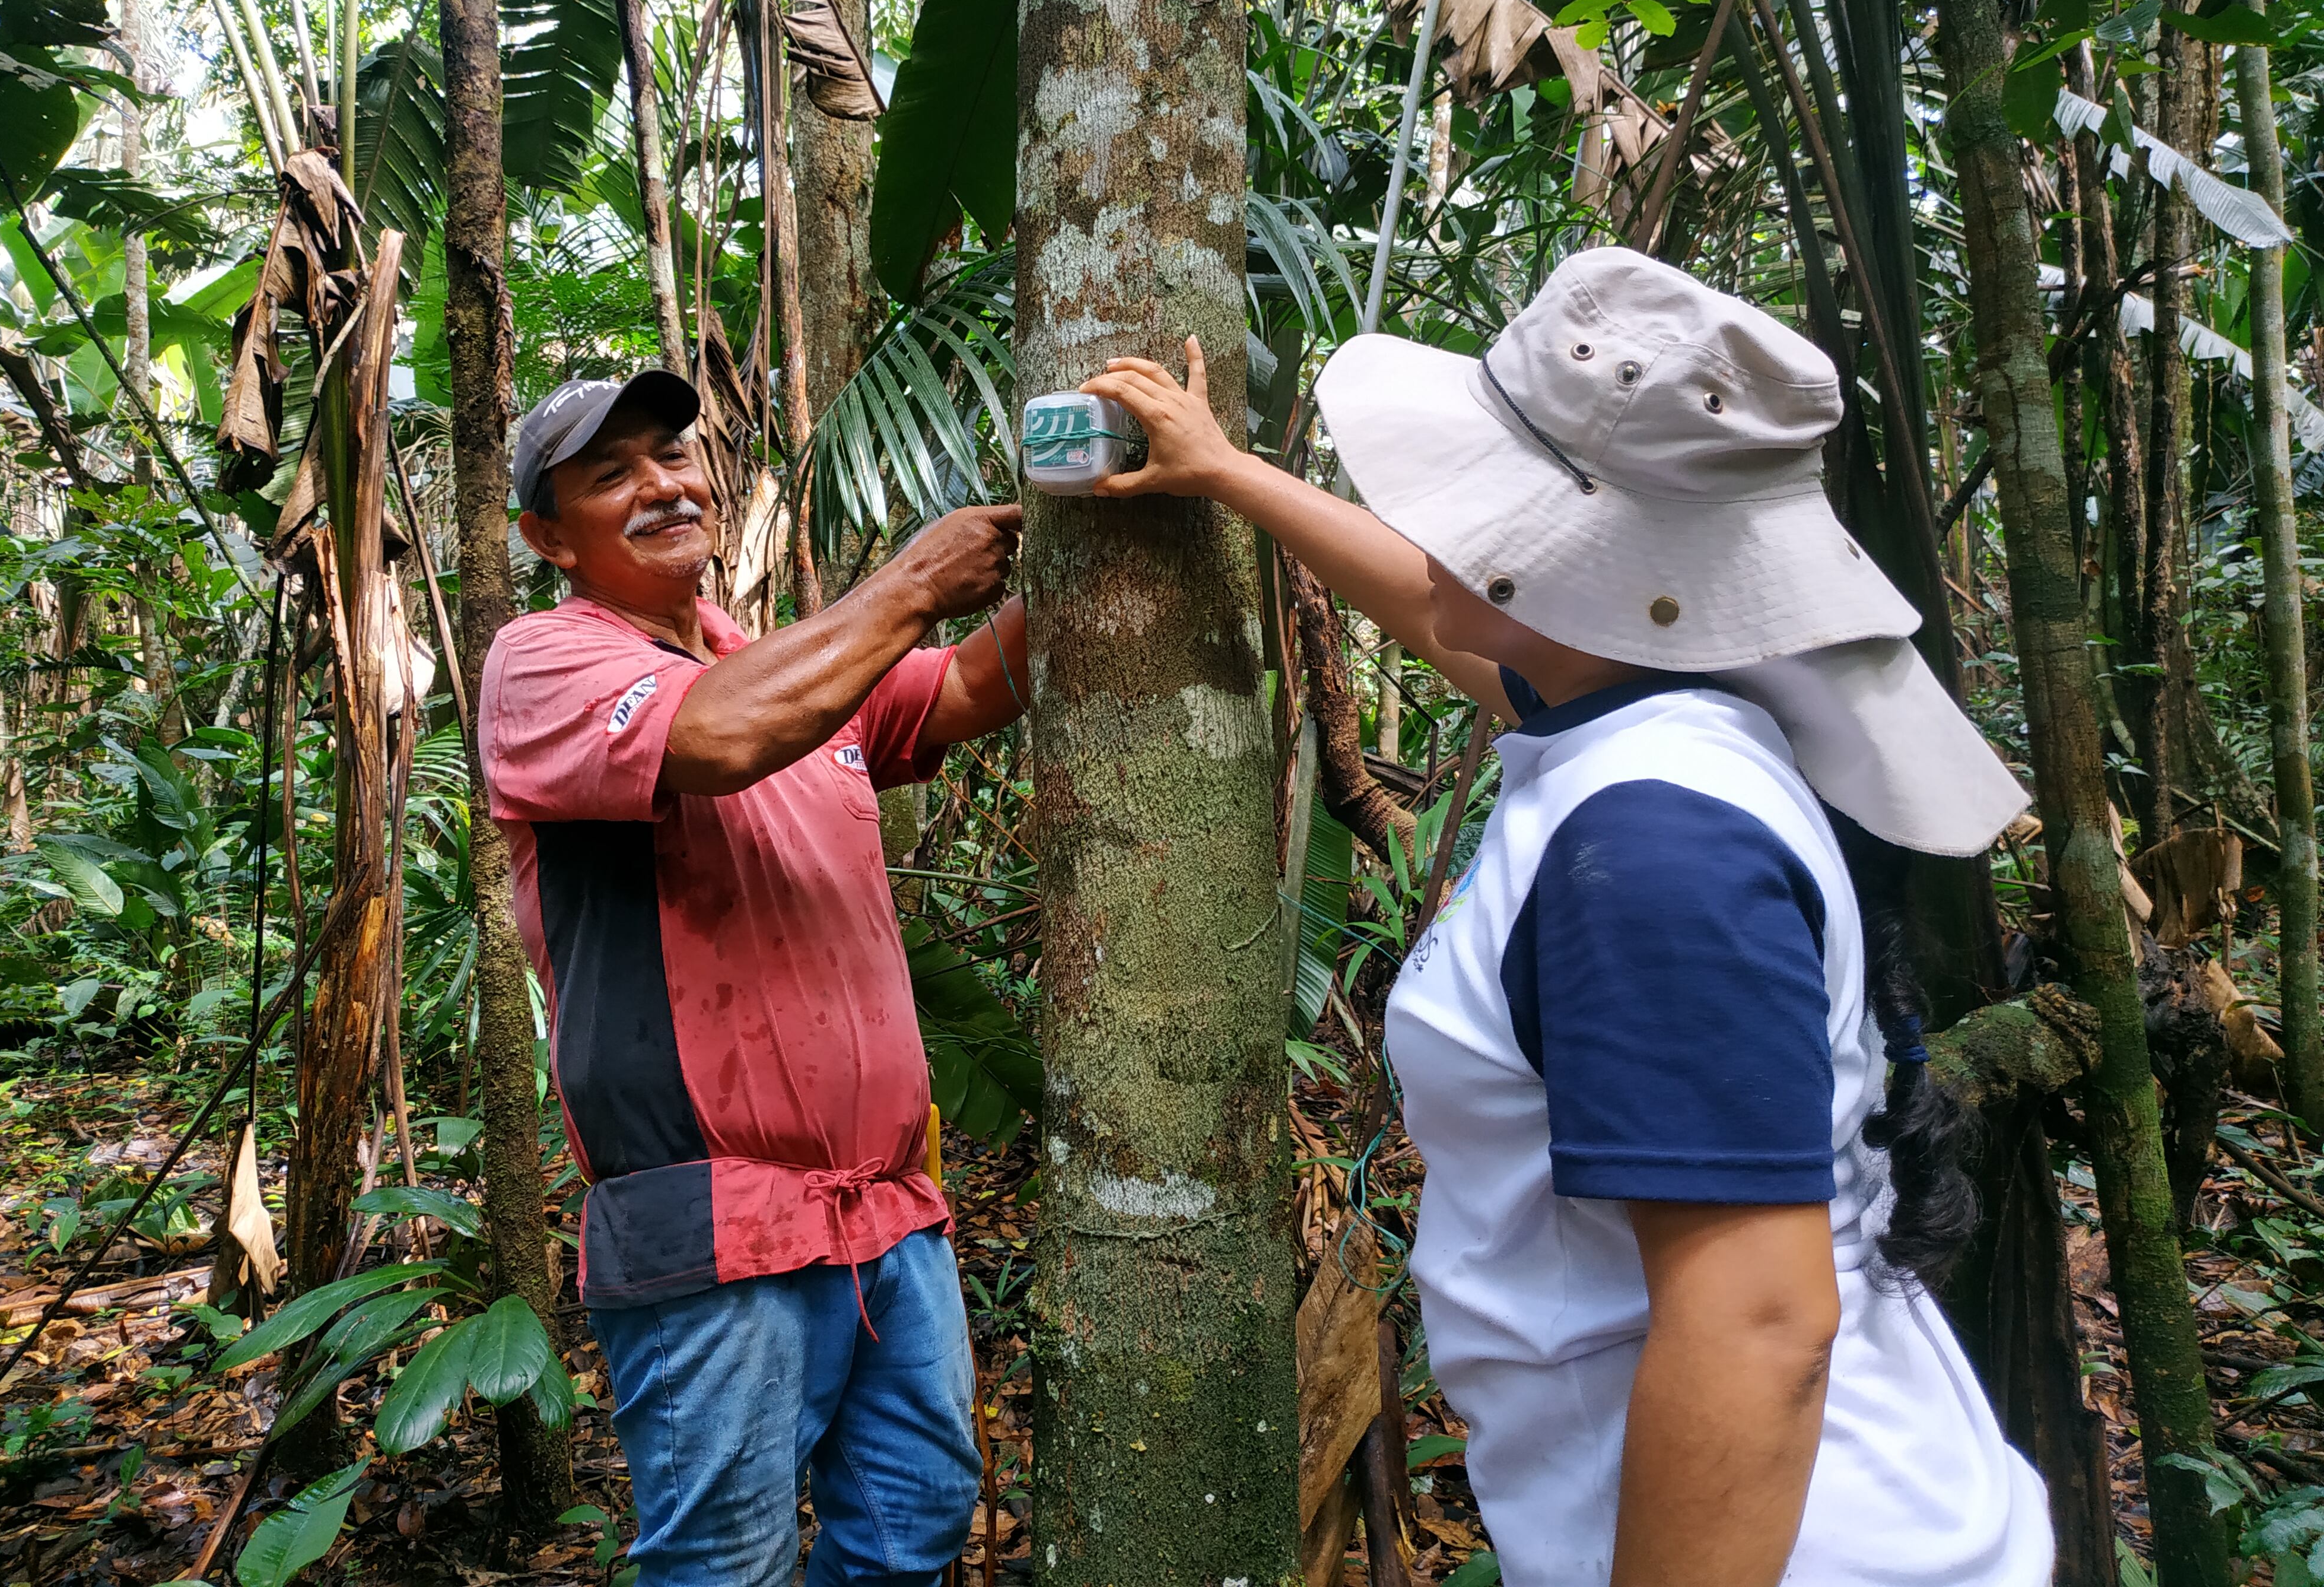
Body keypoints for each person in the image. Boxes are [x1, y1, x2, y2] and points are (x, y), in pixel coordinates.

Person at [1080, 247, 2055, 1586]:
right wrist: (1228, 474)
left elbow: (1760, 1330)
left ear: (1568, 554)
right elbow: (1457, 626)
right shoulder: (1651, 709)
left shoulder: (1652, 846)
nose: (1438, 520)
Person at [475, 369, 1028, 1587]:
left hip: (888, 1210)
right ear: (546, 537)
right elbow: (720, 736)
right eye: (610, 475)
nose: (664, 485)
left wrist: (1097, 520)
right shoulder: (541, 663)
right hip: (711, 1222)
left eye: (671, 454)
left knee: (913, 1530)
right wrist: (915, 583)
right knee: (725, 1567)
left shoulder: (781, 666)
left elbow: (977, 686)